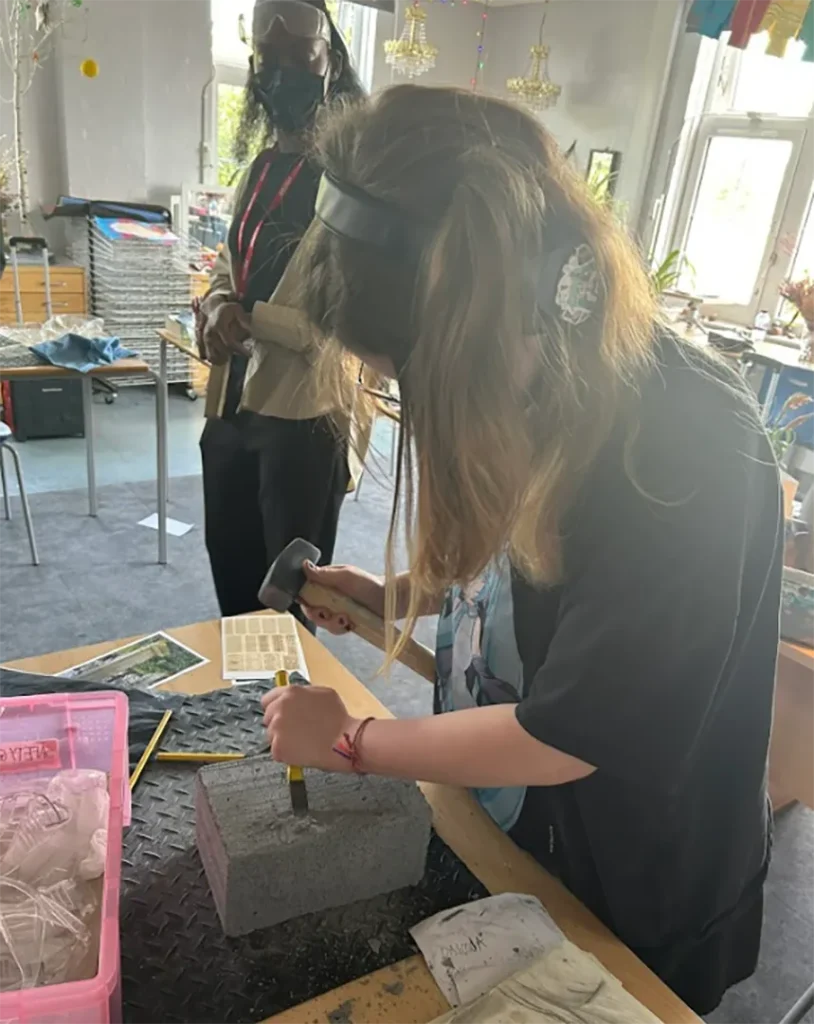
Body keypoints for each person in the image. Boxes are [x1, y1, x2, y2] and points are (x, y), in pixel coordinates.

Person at [261, 86, 782, 1014]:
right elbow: (515, 560)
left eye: (415, 383)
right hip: (513, 834)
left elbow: (568, 735)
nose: (421, 412)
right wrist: (400, 593)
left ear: (496, 308)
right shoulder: (533, 368)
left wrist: (352, 741)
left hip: (633, 887)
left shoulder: (688, 449)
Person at [197, 0, 365, 619]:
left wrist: (248, 319)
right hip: (231, 406)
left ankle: (291, 710)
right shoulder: (260, 169)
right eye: (268, 60)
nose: (281, 72)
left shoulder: (351, 181)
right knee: (233, 581)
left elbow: (346, 318)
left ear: (332, 61)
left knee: (291, 601)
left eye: (299, 56)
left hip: (303, 416)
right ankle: (241, 714)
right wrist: (217, 303)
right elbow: (226, 260)